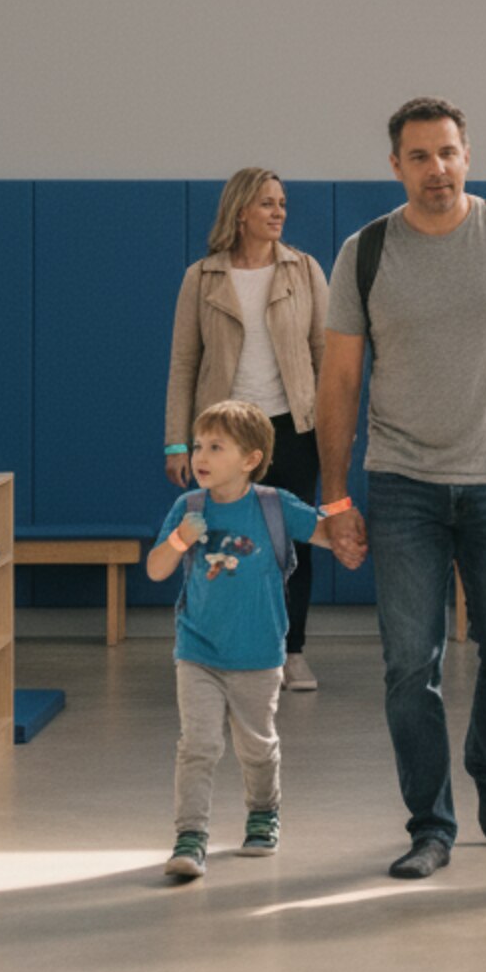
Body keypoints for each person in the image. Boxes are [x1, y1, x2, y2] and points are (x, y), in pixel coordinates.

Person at [315, 97, 486, 881]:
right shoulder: (365, 252)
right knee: (409, 665)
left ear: (468, 155)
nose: (438, 168)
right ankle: (430, 825)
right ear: (396, 165)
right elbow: (337, 380)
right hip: (403, 485)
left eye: (449, 152)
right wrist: (335, 499)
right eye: (420, 156)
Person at [145, 399, 357, 882]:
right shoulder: (188, 507)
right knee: (197, 745)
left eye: (216, 447)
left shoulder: (274, 507)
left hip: (259, 655)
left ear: (250, 459)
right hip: (197, 653)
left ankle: (263, 813)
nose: (201, 455)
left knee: (256, 746)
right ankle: (190, 836)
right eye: (199, 445)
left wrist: (354, 535)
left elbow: (328, 534)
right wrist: (179, 539)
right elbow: (156, 570)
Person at [165, 169, 331, 690]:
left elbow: (327, 357)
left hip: (294, 428)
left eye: (282, 203)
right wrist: (179, 441)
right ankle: (223, 650)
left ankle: (291, 651)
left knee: (292, 543)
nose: (279, 212)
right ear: (240, 212)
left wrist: (333, 431)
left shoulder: (303, 270)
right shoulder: (203, 276)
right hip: (227, 433)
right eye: (266, 204)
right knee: (223, 541)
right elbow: (184, 364)